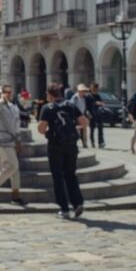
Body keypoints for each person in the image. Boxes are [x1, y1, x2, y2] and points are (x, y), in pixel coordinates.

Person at [38, 83, 88, 219]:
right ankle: (77, 202)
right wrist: (73, 128)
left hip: (55, 146)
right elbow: (84, 121)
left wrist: (50, 130)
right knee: (71, 174)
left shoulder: (47, 108)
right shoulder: (70, 105)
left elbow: (41, 128)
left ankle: (64, 208)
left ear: (49, 94)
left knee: (58, 176)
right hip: (71, 145)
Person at [88, 82, 106, 149]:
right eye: (94, 88)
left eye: (96, 88)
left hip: (98, 114)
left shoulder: (98, 95)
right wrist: (96, 103)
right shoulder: (89, 96)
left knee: (100, 128)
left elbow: (101, 102)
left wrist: (101, 103)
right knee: (92, 129)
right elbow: (88, 105)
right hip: (91, 114)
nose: (95, 89)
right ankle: (92, 142)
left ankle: (100, 142)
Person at [72, 84, 90, 148]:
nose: (84, 92)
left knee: (84, 130)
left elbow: (87, 106)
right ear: (79, 91)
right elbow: (72, 107)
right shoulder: (75, 98)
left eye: (84, 91)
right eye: (82, 91)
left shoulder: (85, 98)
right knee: (76, 130)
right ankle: (74, 142)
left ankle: (84, 143)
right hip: (76, 116)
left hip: (83, 115)